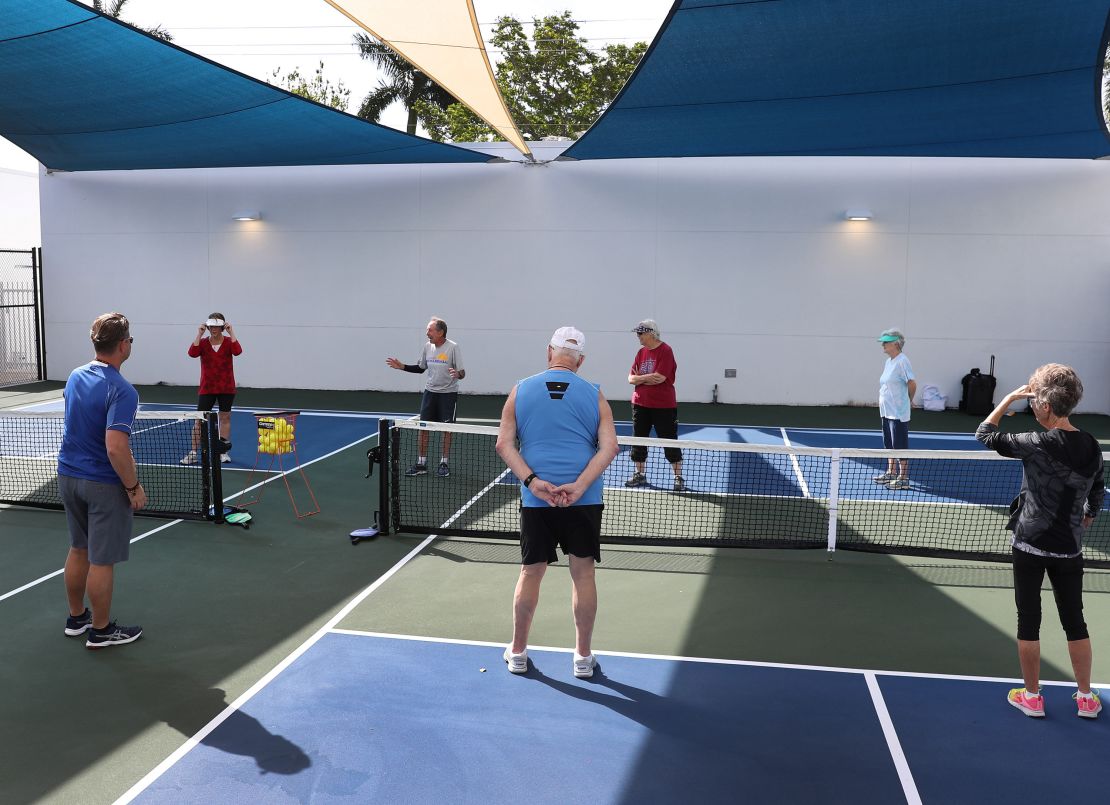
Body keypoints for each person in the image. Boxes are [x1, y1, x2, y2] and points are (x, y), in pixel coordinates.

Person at [978, 365, 1104, 719]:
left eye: (1034, 399)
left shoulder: (1034, 444)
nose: (1032, 405)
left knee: (1028, 620)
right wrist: (1091, 512)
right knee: (1075, 620)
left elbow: (985, 434)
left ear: (1047, 406)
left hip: (1029, 545)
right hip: (1070, 549)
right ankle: (1085, 698)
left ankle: (1032, 697)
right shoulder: (1092, 444)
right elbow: (1097, 487)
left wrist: (1006, 400)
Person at [495, 326, 618, 679]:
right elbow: (610, 447)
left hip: (537, 502)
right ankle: (582, 658)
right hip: (585, 500)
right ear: (581, 360)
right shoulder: (595, 395)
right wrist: (579, 487)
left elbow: (504, 445)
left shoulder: (521, 390)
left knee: (530, 573)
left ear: (550, 351)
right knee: (583, 574)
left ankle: (517, 652)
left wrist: (534, 483)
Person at [58, 312, 146, 649]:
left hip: (68, 477)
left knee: (79, 548)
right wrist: (133, 488)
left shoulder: (75, 376)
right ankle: (101, 629)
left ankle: (77, 617)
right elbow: (115, 447)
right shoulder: (123, 391)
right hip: (102, 484)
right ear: (123, 345)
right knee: (101, 559)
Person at [386, 317, 465, 477]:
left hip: (448, 394)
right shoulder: (427, 347)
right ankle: (421, 463)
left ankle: (444, 463)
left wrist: (457, 374)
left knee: (446, 430)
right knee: (423, 428)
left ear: (440, 332)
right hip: (430, 393)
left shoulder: (453, 347)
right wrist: (402, 367)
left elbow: (462, 373)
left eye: (430, 330)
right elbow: (421, 368)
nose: (427, 333)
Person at [625, 319, 683, 491]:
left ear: (650, 333)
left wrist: (640, 379)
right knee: (639, 439)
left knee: (669, 440)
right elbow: (630, 378)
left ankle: (678, 477)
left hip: (663, 405)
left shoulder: (666, 350)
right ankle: (640, 474)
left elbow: (661, 378)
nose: (638, 336)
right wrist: (645, 379)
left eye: (640, 333)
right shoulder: (640, 352)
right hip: (640, 404)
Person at [181, 313, 242, 465]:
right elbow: (192, 353)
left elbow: (238, 351)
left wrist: (231, 331)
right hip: (207, 388)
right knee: (199, 420)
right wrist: (199, 333)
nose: (213, 329)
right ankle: (194, 453)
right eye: (211, 326)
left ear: (222, 326)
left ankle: (223, 452)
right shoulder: (202, 342)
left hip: (226, 387)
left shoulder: (228, 341)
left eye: (216, 326)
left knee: (225, 418)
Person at [873, 328, 916, 490]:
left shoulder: (902, 361)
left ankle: (903, 478)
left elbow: (912, 382)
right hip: (886, 410)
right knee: (889, 444)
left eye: (886, 342)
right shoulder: (888, 361)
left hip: (898, 412)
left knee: (900, 445)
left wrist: (909, 400)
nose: (883, 344)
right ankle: (891, 472)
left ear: (896, 344)